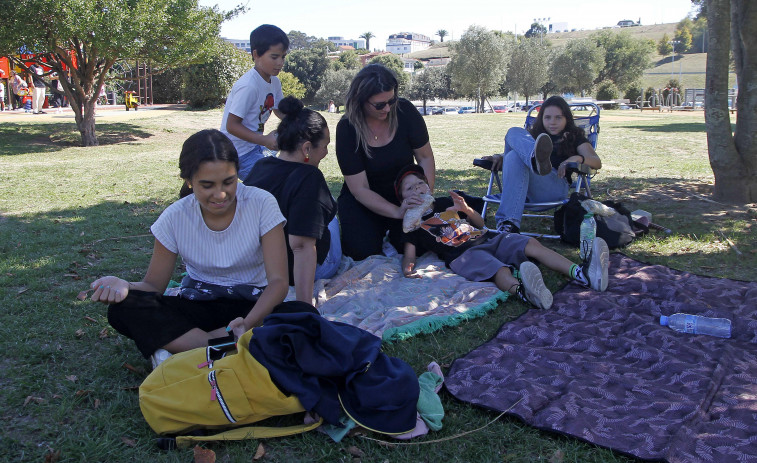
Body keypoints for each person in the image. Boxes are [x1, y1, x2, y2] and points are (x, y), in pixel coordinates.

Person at [88, 129, 291, 367]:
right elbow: (153, 286)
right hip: (199, 304)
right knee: (123, 309)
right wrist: (126, 286)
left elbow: (278, 282)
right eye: (207, 185)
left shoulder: (261, 203)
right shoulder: (175, 217)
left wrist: (248, 323)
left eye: (229, 181)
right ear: (189, 181)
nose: (221, 194)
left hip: (253, 306)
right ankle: (213, 345)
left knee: (297, 317)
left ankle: (189, 346)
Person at [396, 165, 609, 310]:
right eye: (409, 189)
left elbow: (480, 224)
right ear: (403, 199)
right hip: (463, 255)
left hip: (488, 238)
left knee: (531, 243)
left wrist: (466, 210)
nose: (417, 190)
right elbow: (410, 255)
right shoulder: (412, 225)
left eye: (420, 184)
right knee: (499, 270)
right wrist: (408, 270)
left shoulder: (444, 202)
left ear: (428, 185)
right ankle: (526, 292)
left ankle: (582, 273)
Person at [244, 96, 341, 303]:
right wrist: (303, 306)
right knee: (331, 209)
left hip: (262, 269)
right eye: (324, 146)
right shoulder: (309, 178)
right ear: (306, 149)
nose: (325, 152)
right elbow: (302, 246)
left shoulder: (260, 167)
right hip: (297, 271)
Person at [335, 64, 436, 260]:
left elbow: (425, 157)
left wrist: (424, 197)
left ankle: (391, 236)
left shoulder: (405, 111)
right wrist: (397, 212)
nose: (388, 108)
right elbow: (359, 189)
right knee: (362, 252)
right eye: (380, 105)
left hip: (403, 192)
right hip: (364, 199)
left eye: (392, 100)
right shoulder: (347, 128)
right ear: (361, 101)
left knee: (419, 245)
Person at [483, 95, 602, 234]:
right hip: (523, 189)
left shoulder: (574, 137)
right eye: (548, 117)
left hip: (554, 186)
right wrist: (500, 156)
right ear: (542, 118)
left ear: (566, 119)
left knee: (515, 153)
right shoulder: (533, 136)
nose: (553, 122)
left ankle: (535, 162)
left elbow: (596, 161)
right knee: (513, 134)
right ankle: (510, 225)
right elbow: (515, 159)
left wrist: (576, 158)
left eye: (558, 117)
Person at [220, 24, 289, 181]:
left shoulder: (275, 82)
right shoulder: (248, 86)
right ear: (256, 54)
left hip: (256, 146)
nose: (280, 62)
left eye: (283, 56)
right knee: (275, 182)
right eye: (274, 57)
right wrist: (264, 140)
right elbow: (231, 126)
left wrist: (299, 122)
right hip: (238, 153)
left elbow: (279, 110)